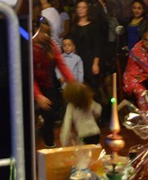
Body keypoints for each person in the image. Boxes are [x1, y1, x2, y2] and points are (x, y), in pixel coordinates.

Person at [33, 18, 75, 148]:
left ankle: (49, 145)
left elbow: (61, 65)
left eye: (47, 32)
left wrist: (73, 83)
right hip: (32, 86)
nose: (45, 35)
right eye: (42, 31)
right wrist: (38, 95)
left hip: (48, 84)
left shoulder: (51, 45)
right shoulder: (28, 46)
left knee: (51, 116)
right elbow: (29, 76)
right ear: (35, 30)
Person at [60, 82, 102, 146]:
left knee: (84, 151)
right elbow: (98, 110)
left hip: (83, 135)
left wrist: (64, 142)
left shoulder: (71, 106)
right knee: (96, 149)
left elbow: (67, 125)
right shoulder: (89, 102)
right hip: (95, 133)